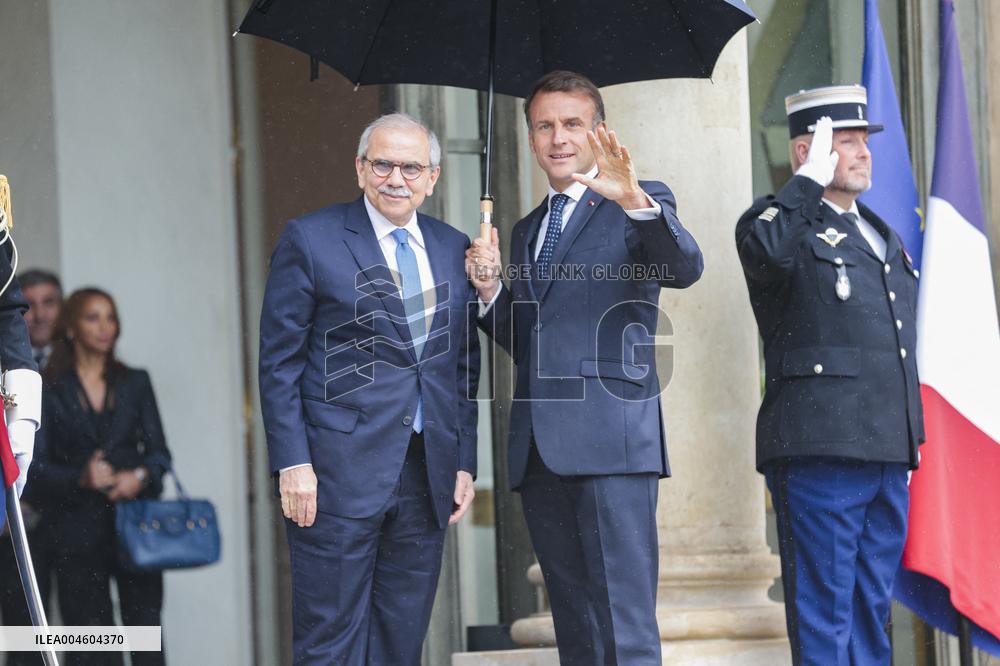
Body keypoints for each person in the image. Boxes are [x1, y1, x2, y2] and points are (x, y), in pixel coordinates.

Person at [466, 70, 703, 665]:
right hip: (540, 450)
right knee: (575, 629)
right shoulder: (525, 231)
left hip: (612, 443)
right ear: (530, 139)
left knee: (624, 625)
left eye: (572, 124)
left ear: (599, 132)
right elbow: (532, 340)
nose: (558, 138)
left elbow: (683, 267)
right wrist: (491, 293)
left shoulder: (639, 199)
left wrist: (634, 200)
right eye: (544, 126)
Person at [259, 113, 480, 665]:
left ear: (433, 177)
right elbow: (278, 365)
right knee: (329, 641)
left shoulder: (457, 248)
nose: (395, 178)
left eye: (411, 167)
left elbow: (462, 369)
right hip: (333, 474)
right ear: (360, 169)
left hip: (425, 473)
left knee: (400, 643)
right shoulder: (311, 239)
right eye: (382, 163)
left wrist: (463, 462)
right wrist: (292, 463)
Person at [734, 85, 923, 666]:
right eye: (845, 142)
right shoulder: (778, 222)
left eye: (864, 140)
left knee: (870, 607)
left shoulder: (879, 233)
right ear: (805, 152)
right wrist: (806, 185)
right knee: (824, 611)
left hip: (886, 450)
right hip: (821, 450)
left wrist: (909, 442)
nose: (863, 153)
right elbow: (764, 250)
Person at [30, 288, 172, 666]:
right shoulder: (47, 387)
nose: (105, 326)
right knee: (92, 648)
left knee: (146, 641)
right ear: (72, 327)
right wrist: (82, 477)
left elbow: (160, 457)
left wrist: (138, 477)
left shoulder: (136, 382)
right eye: (93, 317)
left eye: (110, 317)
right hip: (76, 536)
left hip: (134, 530)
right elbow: (33, 470)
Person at [0, 269, 60, 658]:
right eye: (30, 306)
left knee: (85, 629)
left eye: (48, 303)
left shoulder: (77, 366)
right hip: (13, 518)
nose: (37, 315)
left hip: (62, 519)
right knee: (21, 636)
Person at [19, 269, 63, 369]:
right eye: (28, 305)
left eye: (48, 302)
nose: (40, 315)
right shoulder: (4, 359)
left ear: (62, 306)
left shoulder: (82, 358)